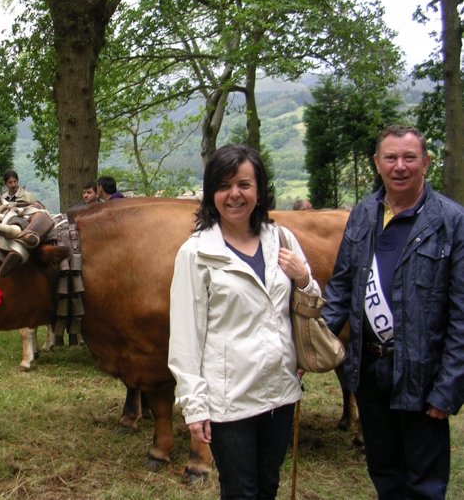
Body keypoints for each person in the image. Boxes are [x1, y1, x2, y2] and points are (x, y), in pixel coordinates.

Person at [168, 144, 320, 499]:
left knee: (268, 485)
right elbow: (186, 336)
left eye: (244, 184)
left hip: (280, 392)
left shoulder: (281, 239)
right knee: (240, 491)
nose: (234, 194)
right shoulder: (197, 253)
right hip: (229, 399)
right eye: (223, 186)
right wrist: (194, 406)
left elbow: (309, 305)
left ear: (259, 189)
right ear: (211, 194)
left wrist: (304, 279)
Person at [322, 125, 464, 499]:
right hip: (369, 370)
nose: (399, 166)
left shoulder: (452, 222)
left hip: (422, 373)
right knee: (384, 473)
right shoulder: (363, 214)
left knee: (424, 484)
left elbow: (462, 315)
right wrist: (313, 343)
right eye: (390, 158)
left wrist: (447, 387)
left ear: (426, 162)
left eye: (409, 157)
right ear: (377, 163)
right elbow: (340, 286)